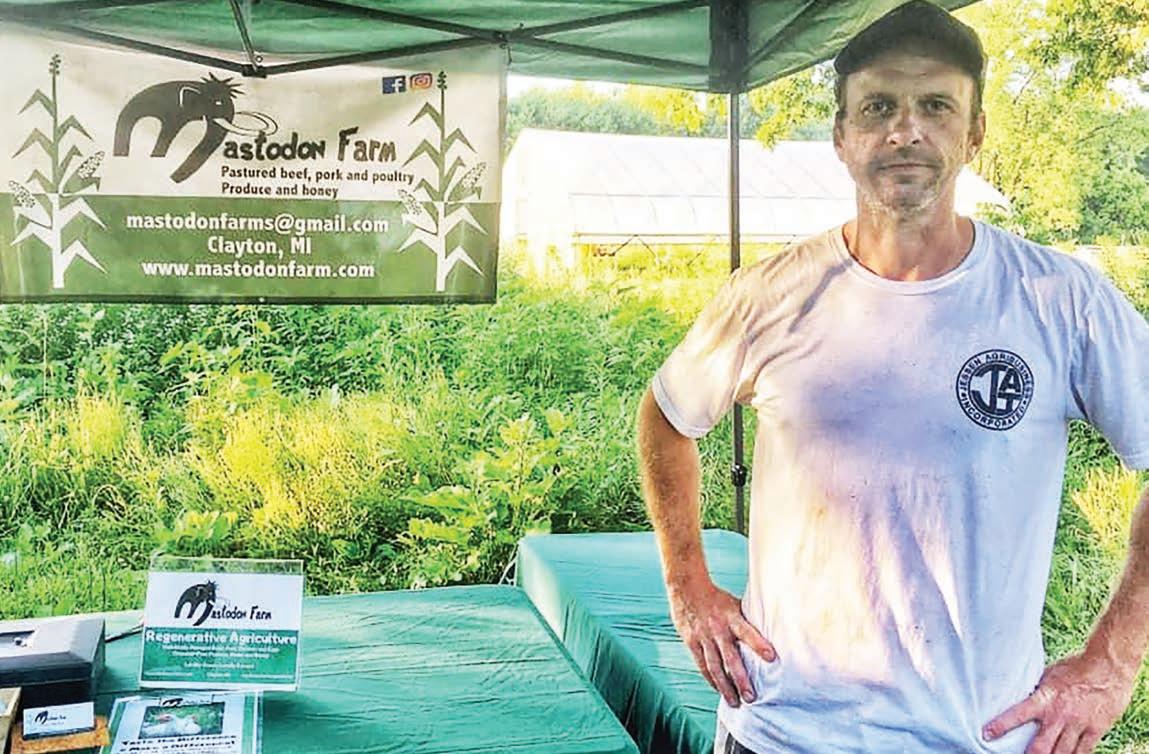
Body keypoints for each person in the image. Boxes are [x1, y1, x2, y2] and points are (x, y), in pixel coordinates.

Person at [636, 2, 1149, 753]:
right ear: (841, 137)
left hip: (978, 735)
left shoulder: (1058, 300)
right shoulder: (770, 295)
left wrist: (1113, 661)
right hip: (781, 728)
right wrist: (688, 588)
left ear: (975, 133)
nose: (905, 131)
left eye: (935, 106)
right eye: (878, 107)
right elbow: (665, 415)